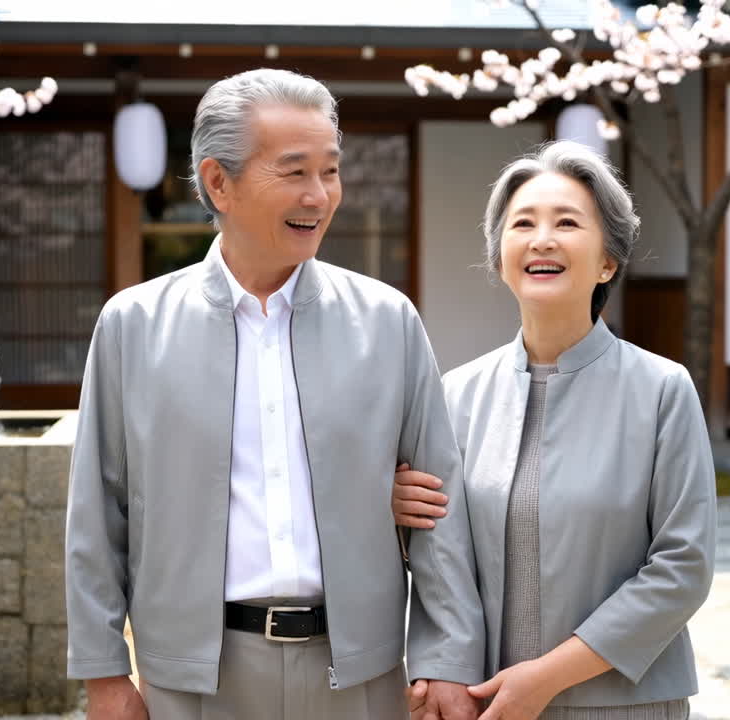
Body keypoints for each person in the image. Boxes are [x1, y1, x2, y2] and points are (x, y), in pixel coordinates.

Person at [65, 68, 485, 720]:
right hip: (194, 679)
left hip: (360, 674)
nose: (319, 195)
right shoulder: (133, 327)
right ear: (217, 183)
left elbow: (439, 503)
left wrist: (449, 657)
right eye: (294, 172)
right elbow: (98, 512)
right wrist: (103, 673)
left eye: (331, 171)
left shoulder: (387, 321)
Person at [393, 140, 717, 719]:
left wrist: (545, 678)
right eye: (523, 223)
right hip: (487, 703)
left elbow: (682, 568)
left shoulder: (662, 390)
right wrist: (393, 506)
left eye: (567, 222)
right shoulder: (457, 395)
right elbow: (440, 554)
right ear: (500, 257)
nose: (542, 239)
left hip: (623, 702)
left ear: (607, 261)